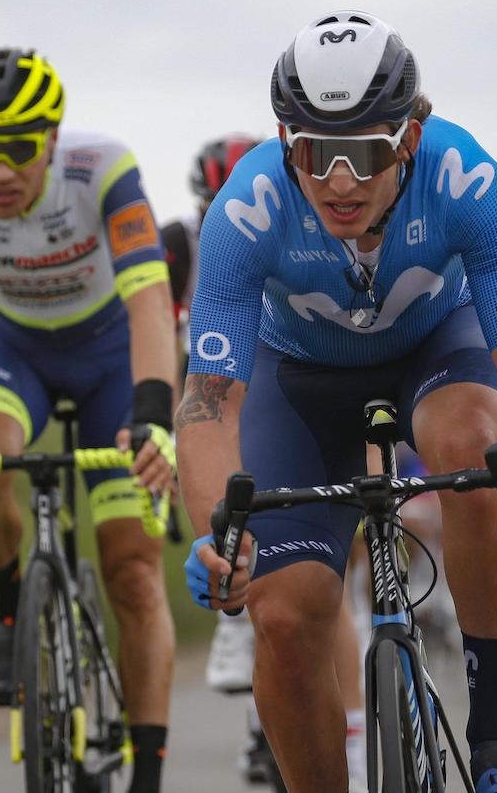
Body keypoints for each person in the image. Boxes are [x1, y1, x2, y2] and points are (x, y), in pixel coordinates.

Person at [178, 10, 497, 793]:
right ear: (285, 141)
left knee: (473, 444)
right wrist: (218, 538)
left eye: (363, 154)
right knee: (283, 617)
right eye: (313, 153)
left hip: (436, 354)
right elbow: (210, 400)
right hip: (301, 382)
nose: (338, 181)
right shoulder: (246, 208)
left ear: (408, 139)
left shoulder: (466, 179)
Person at [0, 47, 178, 792]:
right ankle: (12, 615)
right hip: (10, 343)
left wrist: (155, 416)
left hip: (111, 354)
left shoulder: (103, 168)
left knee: (132, 571)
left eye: (19, 149)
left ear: (51, 140)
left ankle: (146, 776)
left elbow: (151, 300)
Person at [164, 136, 368, 792]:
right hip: (217, 387)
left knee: (327, 571)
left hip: (298, 384)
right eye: (209, 208)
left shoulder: (301, 226)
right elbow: (167, 352)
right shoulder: (181, 246)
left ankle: (356, 725)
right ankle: (241, 610)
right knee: (200, 456)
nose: (218, 219)